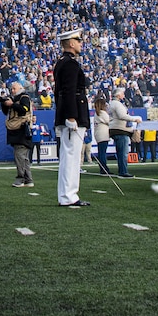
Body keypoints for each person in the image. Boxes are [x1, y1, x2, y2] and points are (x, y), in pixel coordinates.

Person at [52, 28, 90, 206]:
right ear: (72, 44)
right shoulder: (70, 64)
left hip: (67, 113)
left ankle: (67, 195)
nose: (81, 44)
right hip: (73, 114)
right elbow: (68, 92)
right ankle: (69, 196)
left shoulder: (62, 62)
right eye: (79, 41)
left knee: (69, 157)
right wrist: (72, 116)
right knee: (72, 157)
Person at [2, 82, 34, 186]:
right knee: (23, 157)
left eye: (14, 88)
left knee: (20, 155)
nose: (12, 90)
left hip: (22, 130)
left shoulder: (24, 97)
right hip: (16, 130)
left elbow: (24, 110)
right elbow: (6, 112)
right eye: (11, 89)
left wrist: (12, 104)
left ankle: (21, 178)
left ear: (20, 88)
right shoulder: (14, 99)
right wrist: (5, 104)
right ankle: (28, 179)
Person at [106, 86, 135, 177]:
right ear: (118, 95)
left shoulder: (112, 104)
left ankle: (122, 170)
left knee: (121, 152)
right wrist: (135, 119)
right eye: (122, 93)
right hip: (120, 129)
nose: (123, 95)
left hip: (115, 129)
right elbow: (122, 116)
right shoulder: (117, 104)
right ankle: (123, 171)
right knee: (123, 152)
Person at [92, 96, 113, 174]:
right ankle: (104, 168)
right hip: (103, 134)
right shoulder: (102, 113)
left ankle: (102, 168)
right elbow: (109, 121)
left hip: (98, 134)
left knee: (101, 152)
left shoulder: (97, 113)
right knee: (102, 152)